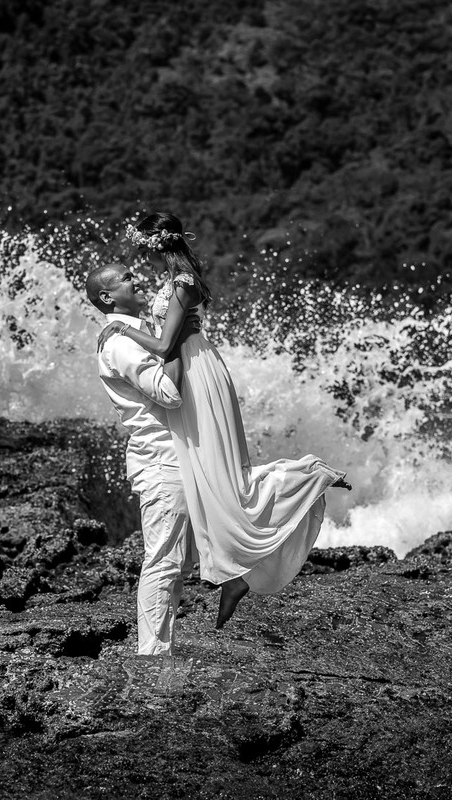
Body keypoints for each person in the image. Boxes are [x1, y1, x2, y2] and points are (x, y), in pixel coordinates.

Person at [99, 212, 351, 630]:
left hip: (197, 373)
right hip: (193, 367)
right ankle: (235, 576)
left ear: (156, 245)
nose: (140, 265)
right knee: (212, 482)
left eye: (142, 250)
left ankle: (307, 475)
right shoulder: (174, 282)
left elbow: (164, 346)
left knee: (226, 477)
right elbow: (167, 339)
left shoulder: (181, 284)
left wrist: (121, 333)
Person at [87, 262, 199, 656]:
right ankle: (152, 656)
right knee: (163, 560)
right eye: (126, 278)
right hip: (161, 460)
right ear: (107, 297)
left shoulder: (135, 334)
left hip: (170, 456)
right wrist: (178, 336)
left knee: (179, 562)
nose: (137, 280)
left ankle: (158, 649)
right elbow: (167, 392)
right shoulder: (120, 342)